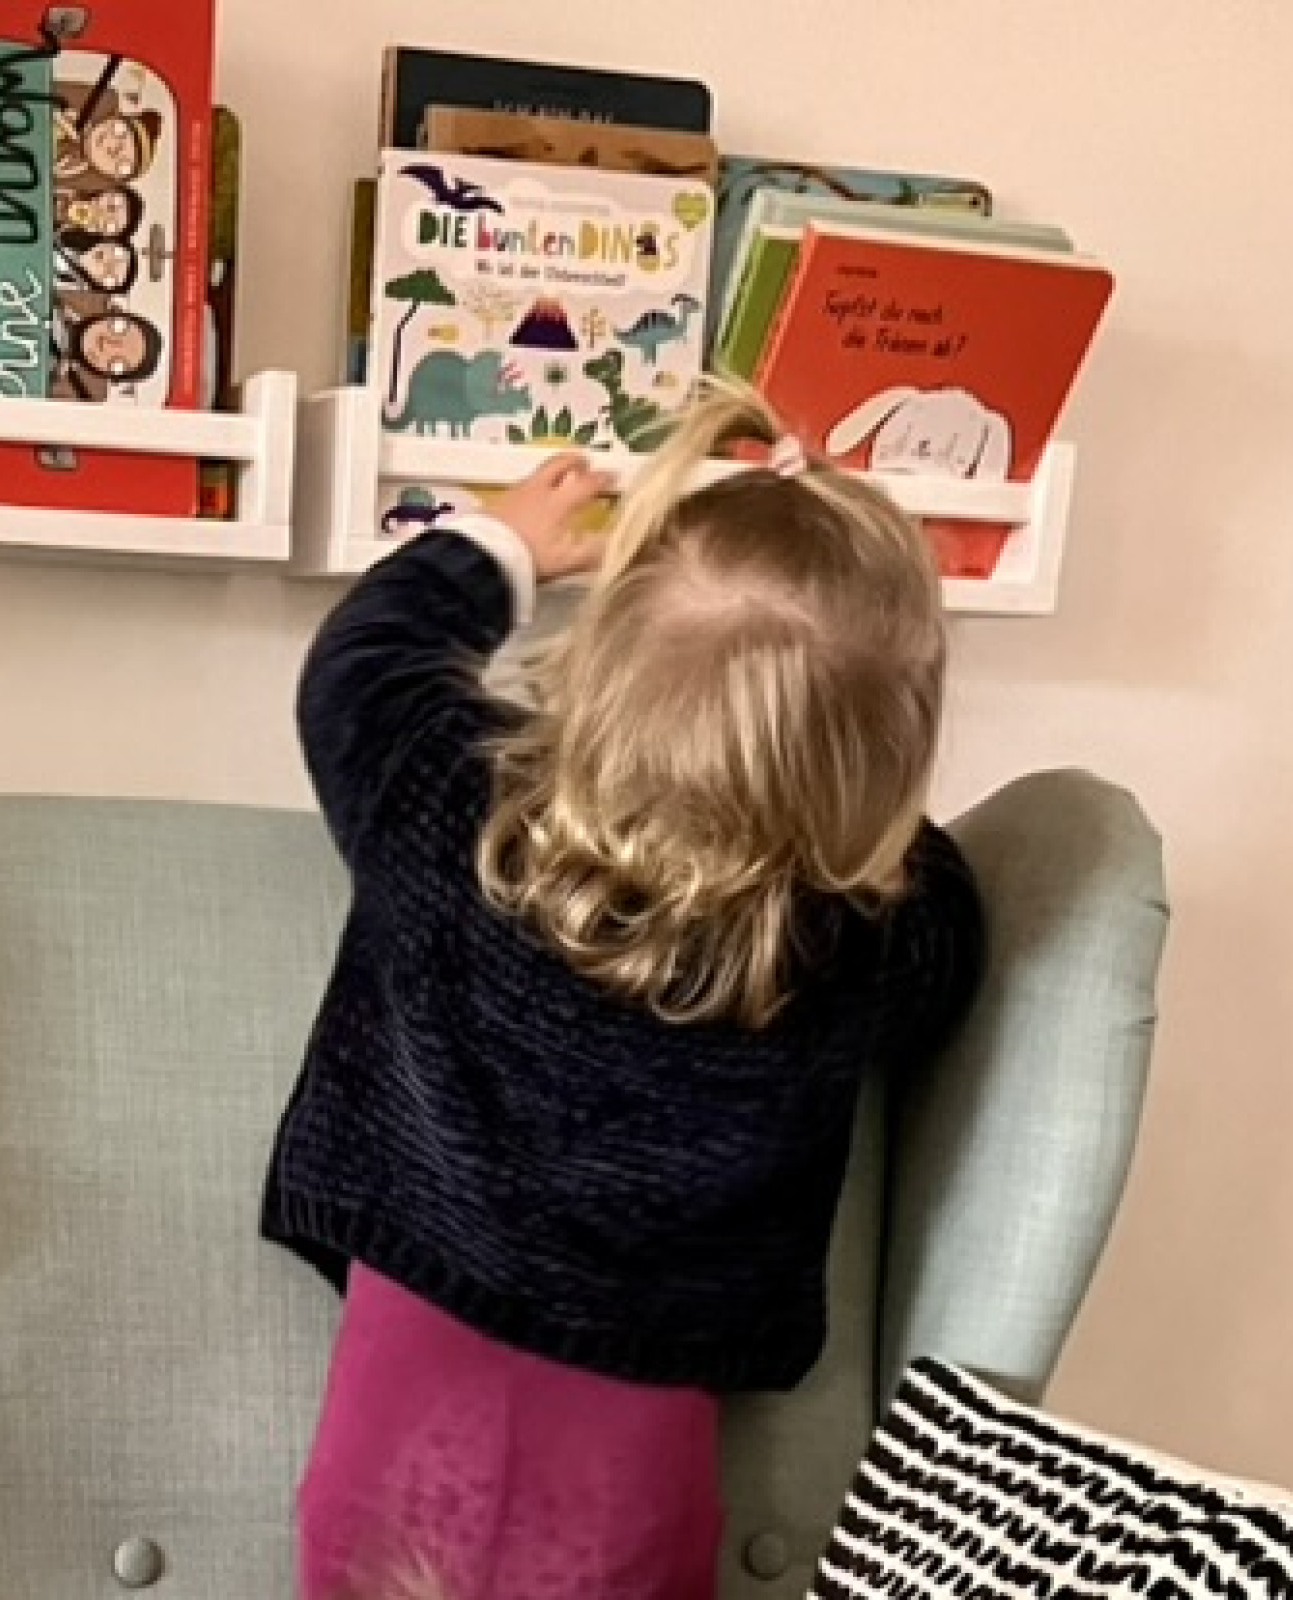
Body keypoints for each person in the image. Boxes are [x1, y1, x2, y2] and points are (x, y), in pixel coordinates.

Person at [262, 381, 987, 1600]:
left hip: (399, 1414)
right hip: (634, 1467)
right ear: (888, 752)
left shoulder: (450, 806)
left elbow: (360, 667)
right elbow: (948, 929)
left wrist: (497, 546)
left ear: (598, 662)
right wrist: (851, 795)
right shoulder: (855, 942)